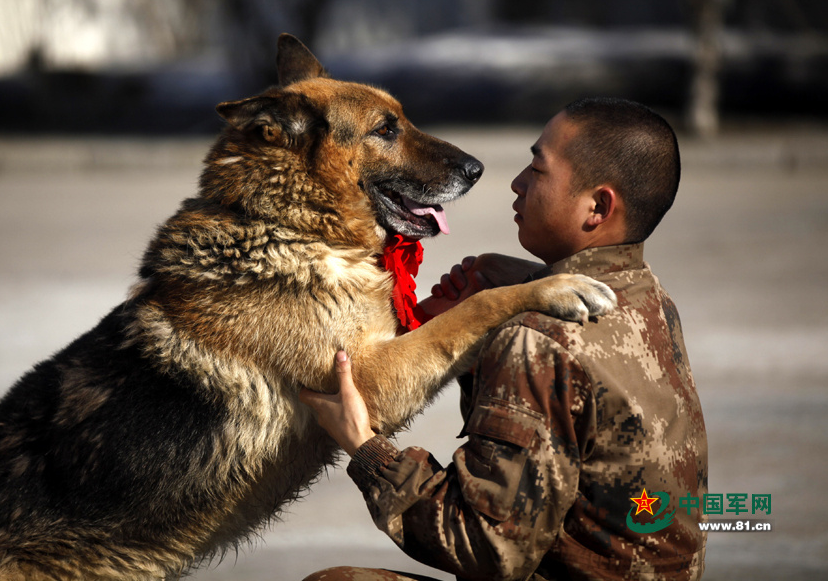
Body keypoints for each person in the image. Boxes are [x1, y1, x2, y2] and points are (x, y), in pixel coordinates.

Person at [299, 98, 708, 581]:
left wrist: (364, 444)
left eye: (537, 169)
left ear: (597, 206)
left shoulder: (538, 340)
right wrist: (523, 285)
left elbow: (488, 547)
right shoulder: (649, 299)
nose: (517, 182)